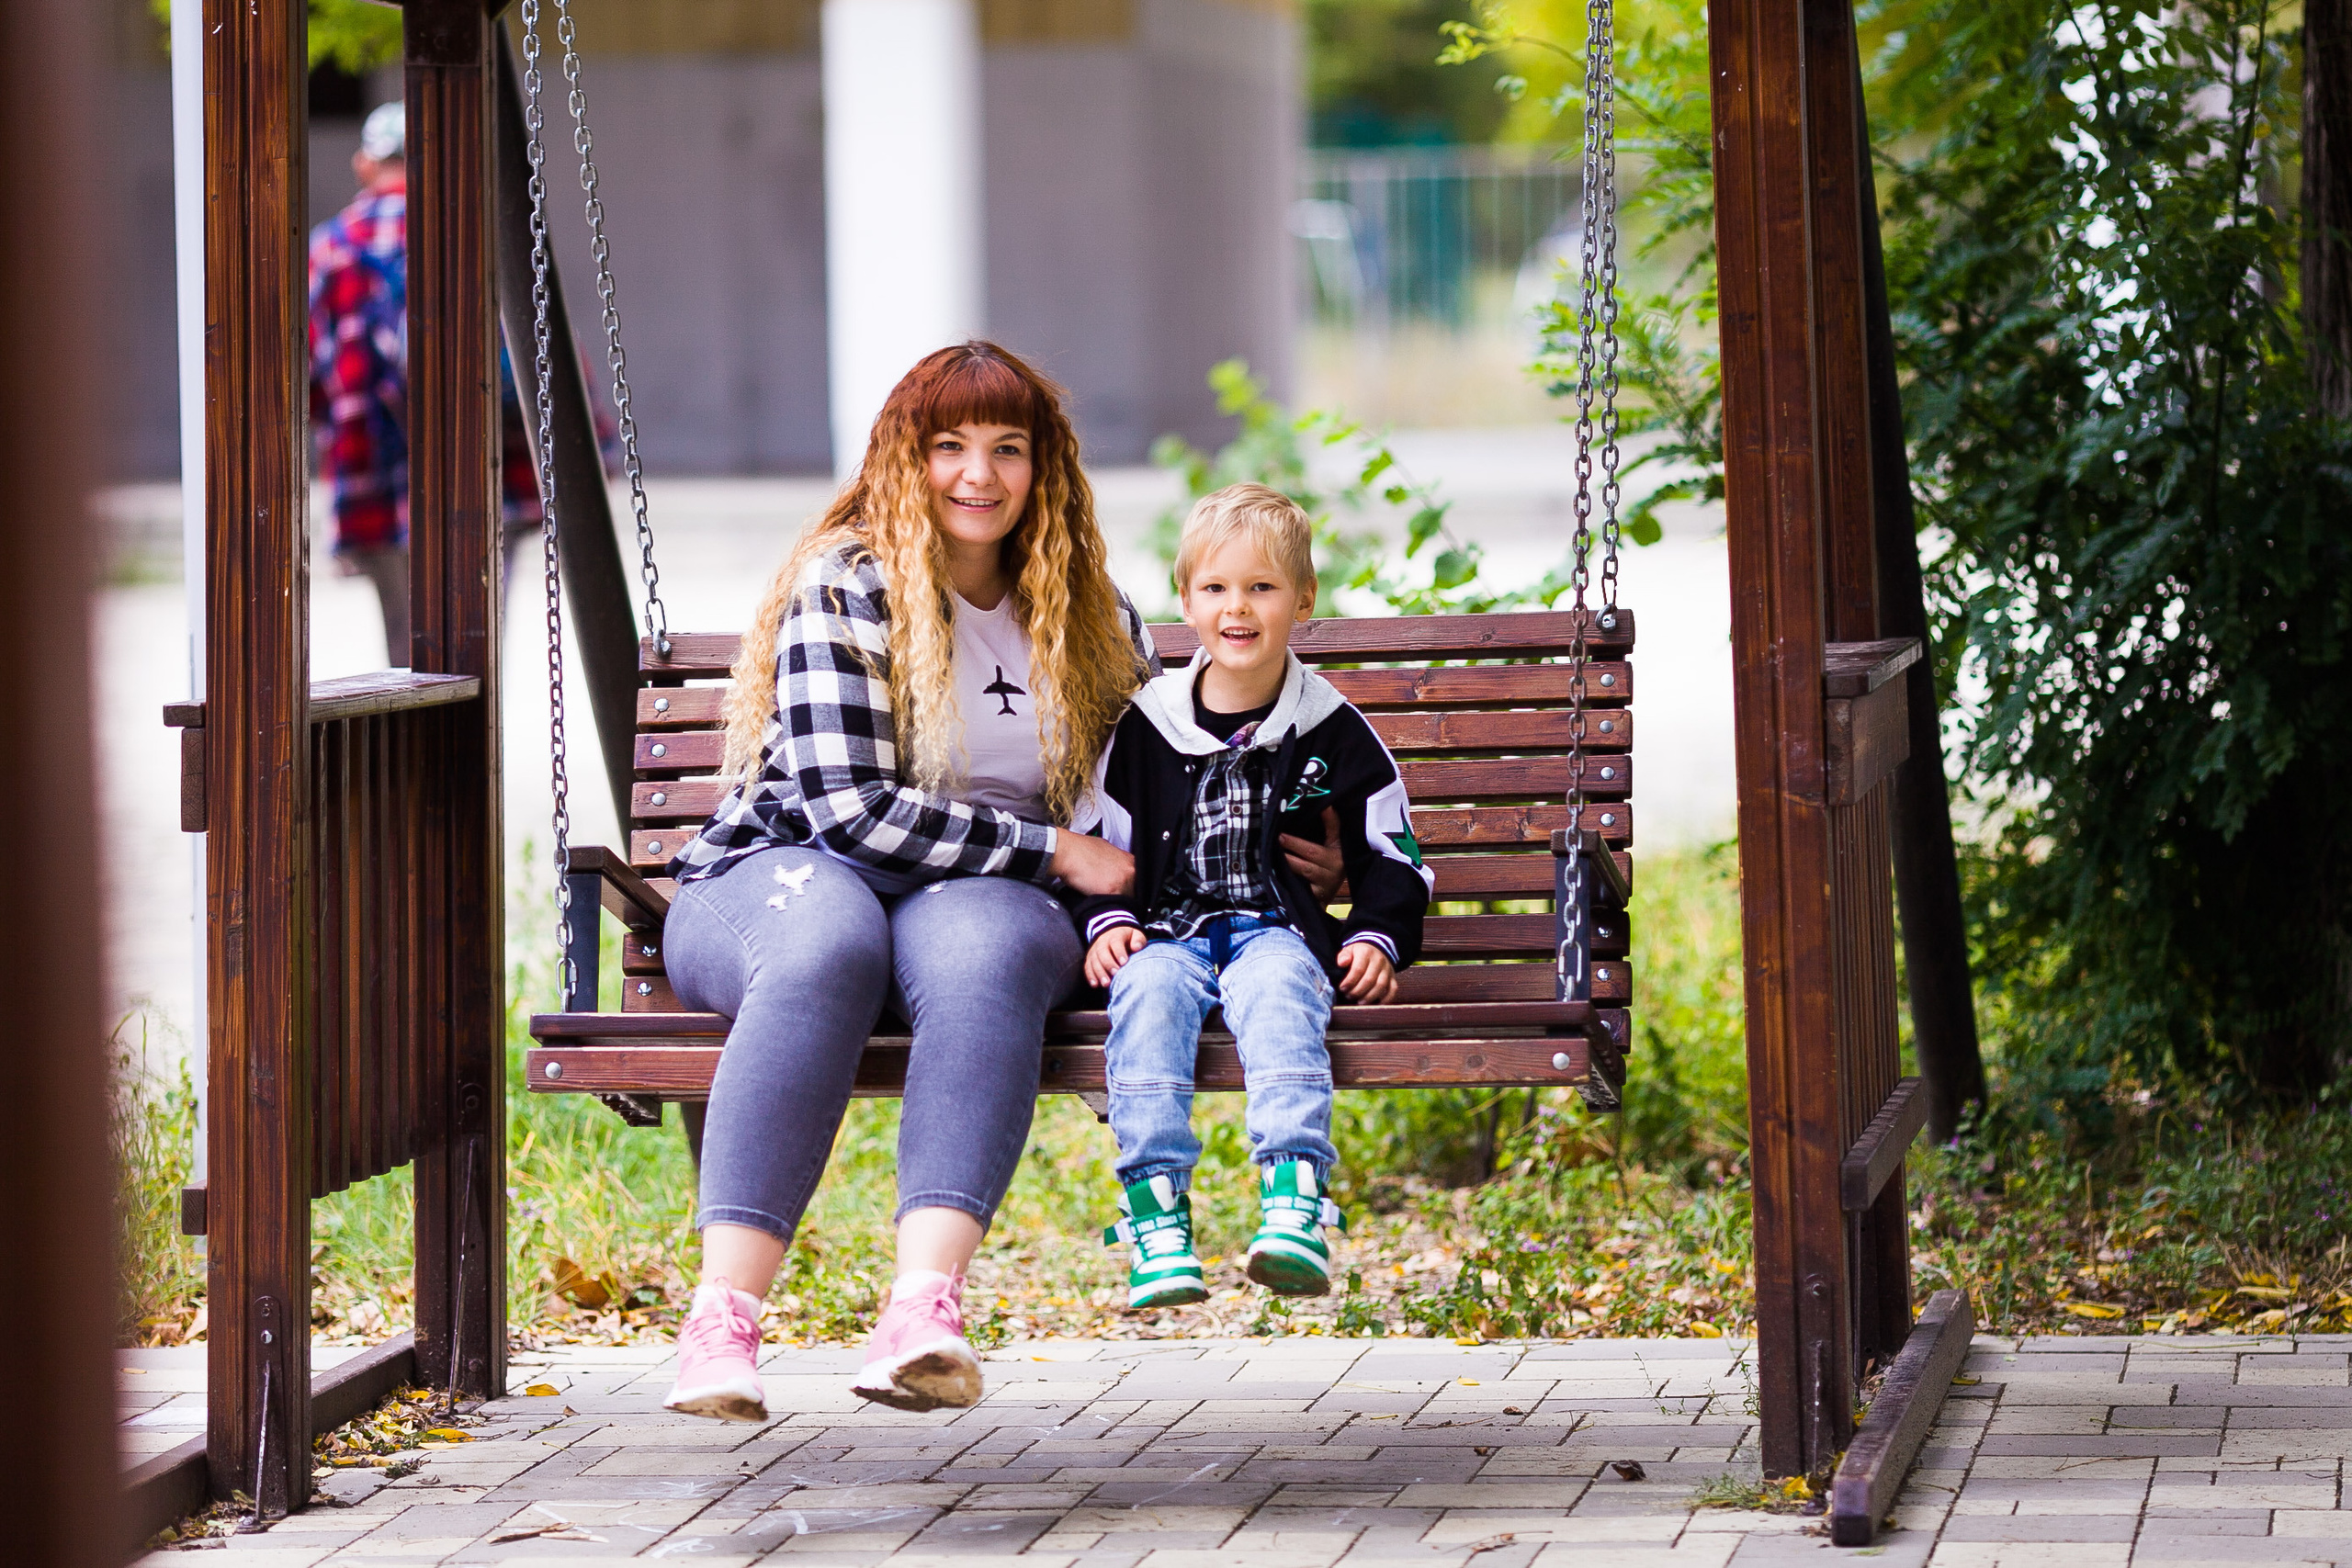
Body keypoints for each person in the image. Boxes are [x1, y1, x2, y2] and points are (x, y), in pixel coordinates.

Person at [652, 344, 1344, 1422]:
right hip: (782, 871)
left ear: (1044, 467)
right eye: (950, 447)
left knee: (994, 955)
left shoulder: (1084, 612)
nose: (979, 474)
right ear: (904, 459)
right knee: (827, 945)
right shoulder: (849, 581)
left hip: (967, 898)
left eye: (1007, 448)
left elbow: (1156, 785)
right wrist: (1054, 853)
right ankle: (720, 1328)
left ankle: (921, 1316)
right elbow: (850, 814)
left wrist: (1284, 842)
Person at [1070, 483, 1433, 1311]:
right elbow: (1100, 842)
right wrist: (1107, 923)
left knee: (1279, 993)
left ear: (1303, 600)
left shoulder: (1332, 728)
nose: (1239, 607)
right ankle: (1156, 1213)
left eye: (1262, 587)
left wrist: (1377, 933)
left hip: (1276, 927)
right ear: (1188, 601)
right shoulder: (1147, 725)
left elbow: (1393, 850)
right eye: (1217, 588)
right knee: (1149, 994)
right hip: (1164, 931)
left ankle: (1294, 1199)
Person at [308, 102, 551, 663]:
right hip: (486, 468)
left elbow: (315, 381)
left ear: (366, 164)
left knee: (401, 643)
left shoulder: (332, 247)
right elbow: (535, 345)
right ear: (430, 162)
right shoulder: (472, 235)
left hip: (372, 472)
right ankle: (478, 749)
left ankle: (413, 744)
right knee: (481, 641)